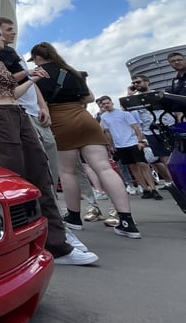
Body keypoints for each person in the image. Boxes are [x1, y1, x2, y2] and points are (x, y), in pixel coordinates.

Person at [0, 22, 97, 265]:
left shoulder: (1, 64)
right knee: (13, 177)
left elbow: (12, 94)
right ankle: (17, 247)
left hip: (18, 114)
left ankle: (58, 246)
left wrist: (32, 78)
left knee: (41, 174)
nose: (3, 38)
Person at [29, 42, 142, 239]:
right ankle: (126, 220)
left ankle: (74, 217)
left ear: (37, 58)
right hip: (84, 119)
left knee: (67, 171)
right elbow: (89, 98)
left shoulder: (38, 74)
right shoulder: (71, 71)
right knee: (104, 168)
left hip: (60, 120)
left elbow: (35, 101)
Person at [0, 17, 57, 186]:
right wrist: (29, 74)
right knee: (38, 163)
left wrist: (43, 106)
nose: (14, 32)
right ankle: (42, 204)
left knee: (52, 161)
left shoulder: (16, 53)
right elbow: (4, 83)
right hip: (20, 111)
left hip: (36, 112)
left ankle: (53, 203)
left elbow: (33, 81)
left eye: (14, 29)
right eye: (8, 29)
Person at [96, 95, 162, 200]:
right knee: (132, 167)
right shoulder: (104, 117)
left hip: (132, 142)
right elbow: (107, 132)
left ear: (112, 103)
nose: (106, 105)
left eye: (107, 103)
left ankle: (153, 189)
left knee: (143, 164)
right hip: (119, 145)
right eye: (103, 104)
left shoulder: (124, 114)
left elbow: (135, 127)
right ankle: (145, 189)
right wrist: (112, 146)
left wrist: (140, 141)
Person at [128, 74, 173, 185]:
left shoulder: (158, 95)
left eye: (138, 82)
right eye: (134, 83)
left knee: (173, 157)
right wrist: (130, 94)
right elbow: (127, 110)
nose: (136, 85)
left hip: (167, 126)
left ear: (147, 82)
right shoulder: (135, 100)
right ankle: (174, 183)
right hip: (150, 131)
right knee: (164, 158)